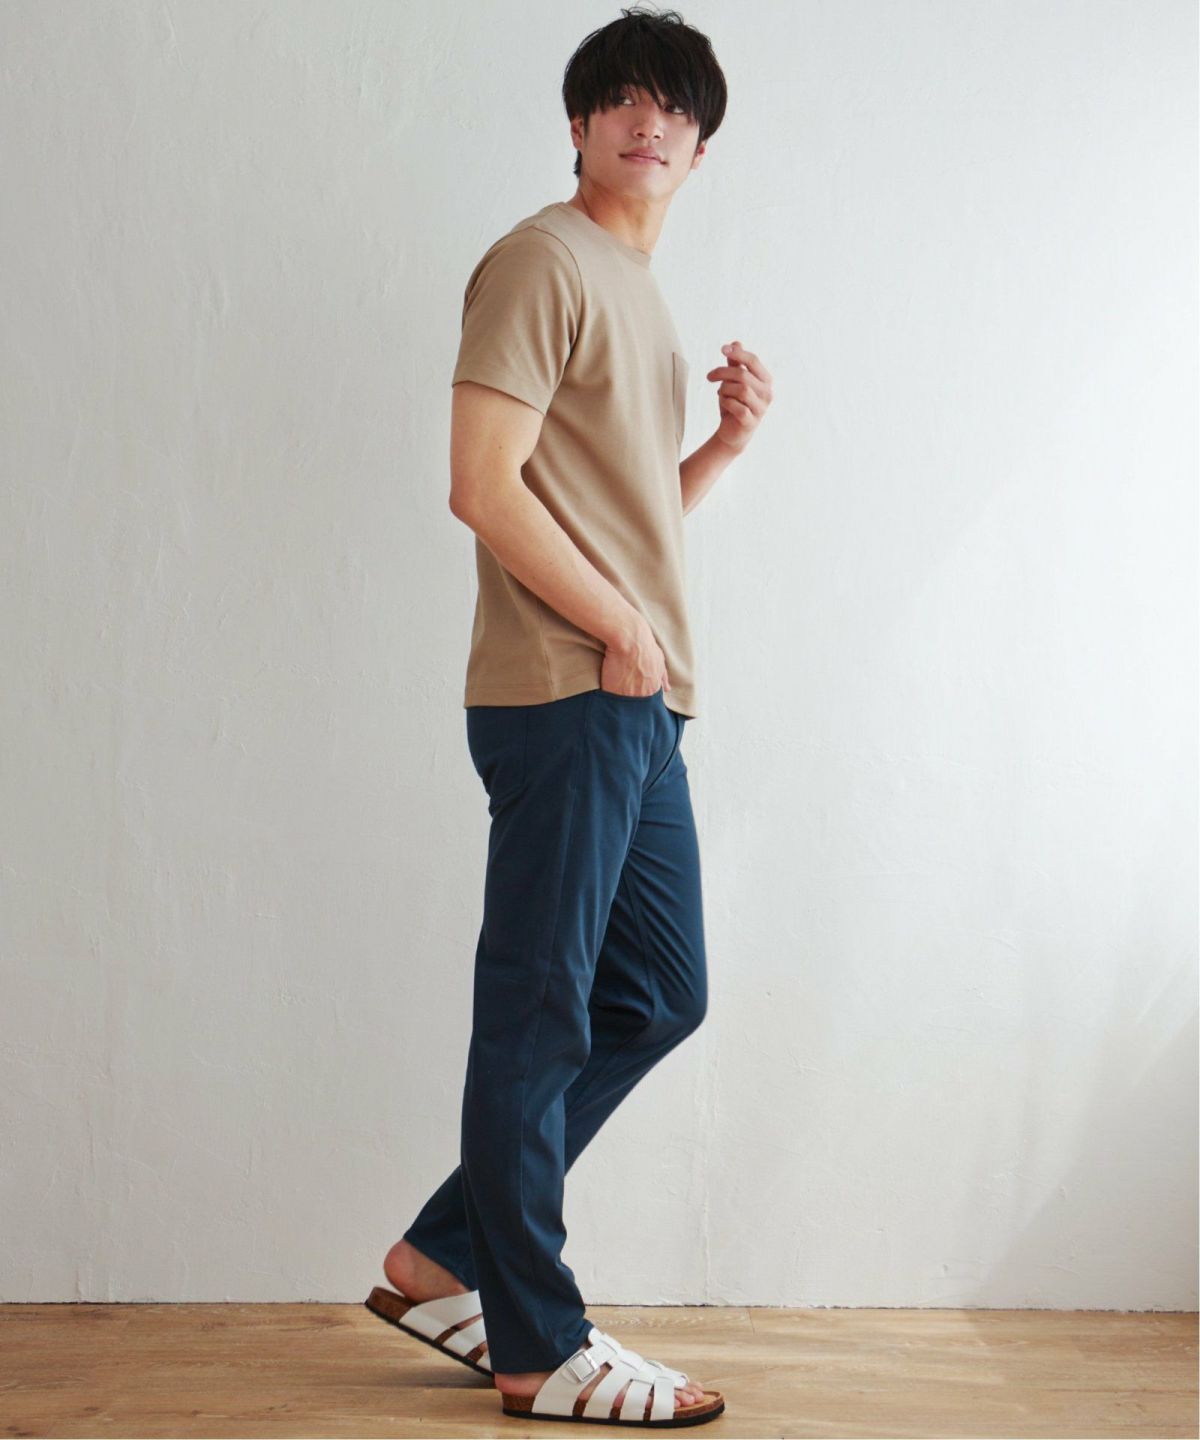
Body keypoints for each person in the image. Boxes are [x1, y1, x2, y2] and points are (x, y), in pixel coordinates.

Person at [365, 5, 772, 1427]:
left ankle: (443, 1255)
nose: (649, 122)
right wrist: (618, 629)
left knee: (659, 990)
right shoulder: (544, 259)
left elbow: (621, 513)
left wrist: (719, 449)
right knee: (539, 1009)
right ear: (581, 125)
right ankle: (536, 1342)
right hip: (568, 687)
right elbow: (482, 484)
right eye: (623, 100)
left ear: (701, 147)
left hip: (634, 697)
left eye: (676, 108)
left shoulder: (631, 286)